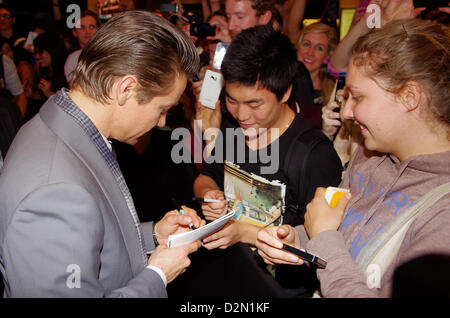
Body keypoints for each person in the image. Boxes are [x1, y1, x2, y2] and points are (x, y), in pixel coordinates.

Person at [0, 10, 203, 298]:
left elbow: (90, 238)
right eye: (162, 109)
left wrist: (153, 234)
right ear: (126, 89)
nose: (161, 122)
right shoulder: (56, 192)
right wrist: (157, 275)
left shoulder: (65, 127)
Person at [255, 18, 450, 298]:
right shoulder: (368, 155)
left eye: (357, 98)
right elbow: (341, 235)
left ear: (410, 96)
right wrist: (296, 239)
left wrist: (321, 237)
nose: (346, 113)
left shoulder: (443, 215)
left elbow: (328, 238)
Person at [193, 25, 342, 297]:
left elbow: (320, 251)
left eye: (255, 104)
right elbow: (206, 176)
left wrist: (243, 233)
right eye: (231, 101)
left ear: (285, 92)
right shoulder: (234, 126)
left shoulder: (314, 155)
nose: (241, 114)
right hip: (232, 276)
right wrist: (209, 194)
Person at [295, 22, 339, 127]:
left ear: (327, 56)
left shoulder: (332, 92)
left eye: (319, 48)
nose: (310, 52)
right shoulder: (283, 85)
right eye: (306, 44)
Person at [64, 10, 99, 86]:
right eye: (82, 27)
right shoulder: (72, 59)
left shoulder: (108, 52)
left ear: (98, 30)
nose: (87, 31)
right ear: (74, 32)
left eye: (92, 27)